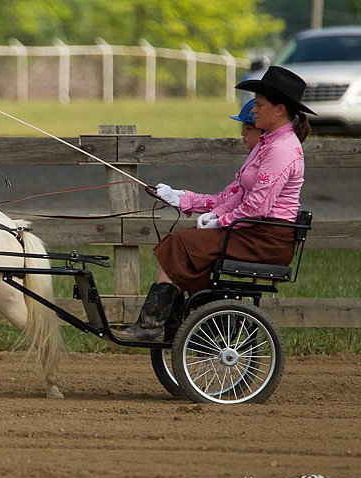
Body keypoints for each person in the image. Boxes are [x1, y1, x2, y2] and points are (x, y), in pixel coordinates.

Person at [115, 66, 315, 342]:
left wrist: (219, 221)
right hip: (252, 230)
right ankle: (170, 324)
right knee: (180, 242)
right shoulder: (266, 145)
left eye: (258, 105)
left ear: (280, 109)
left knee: (180, 244)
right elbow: (231, 196)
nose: (253, 111)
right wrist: (181, 198)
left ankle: (153, 326)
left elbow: (258, 206)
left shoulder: (281, 149)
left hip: (265, 237)